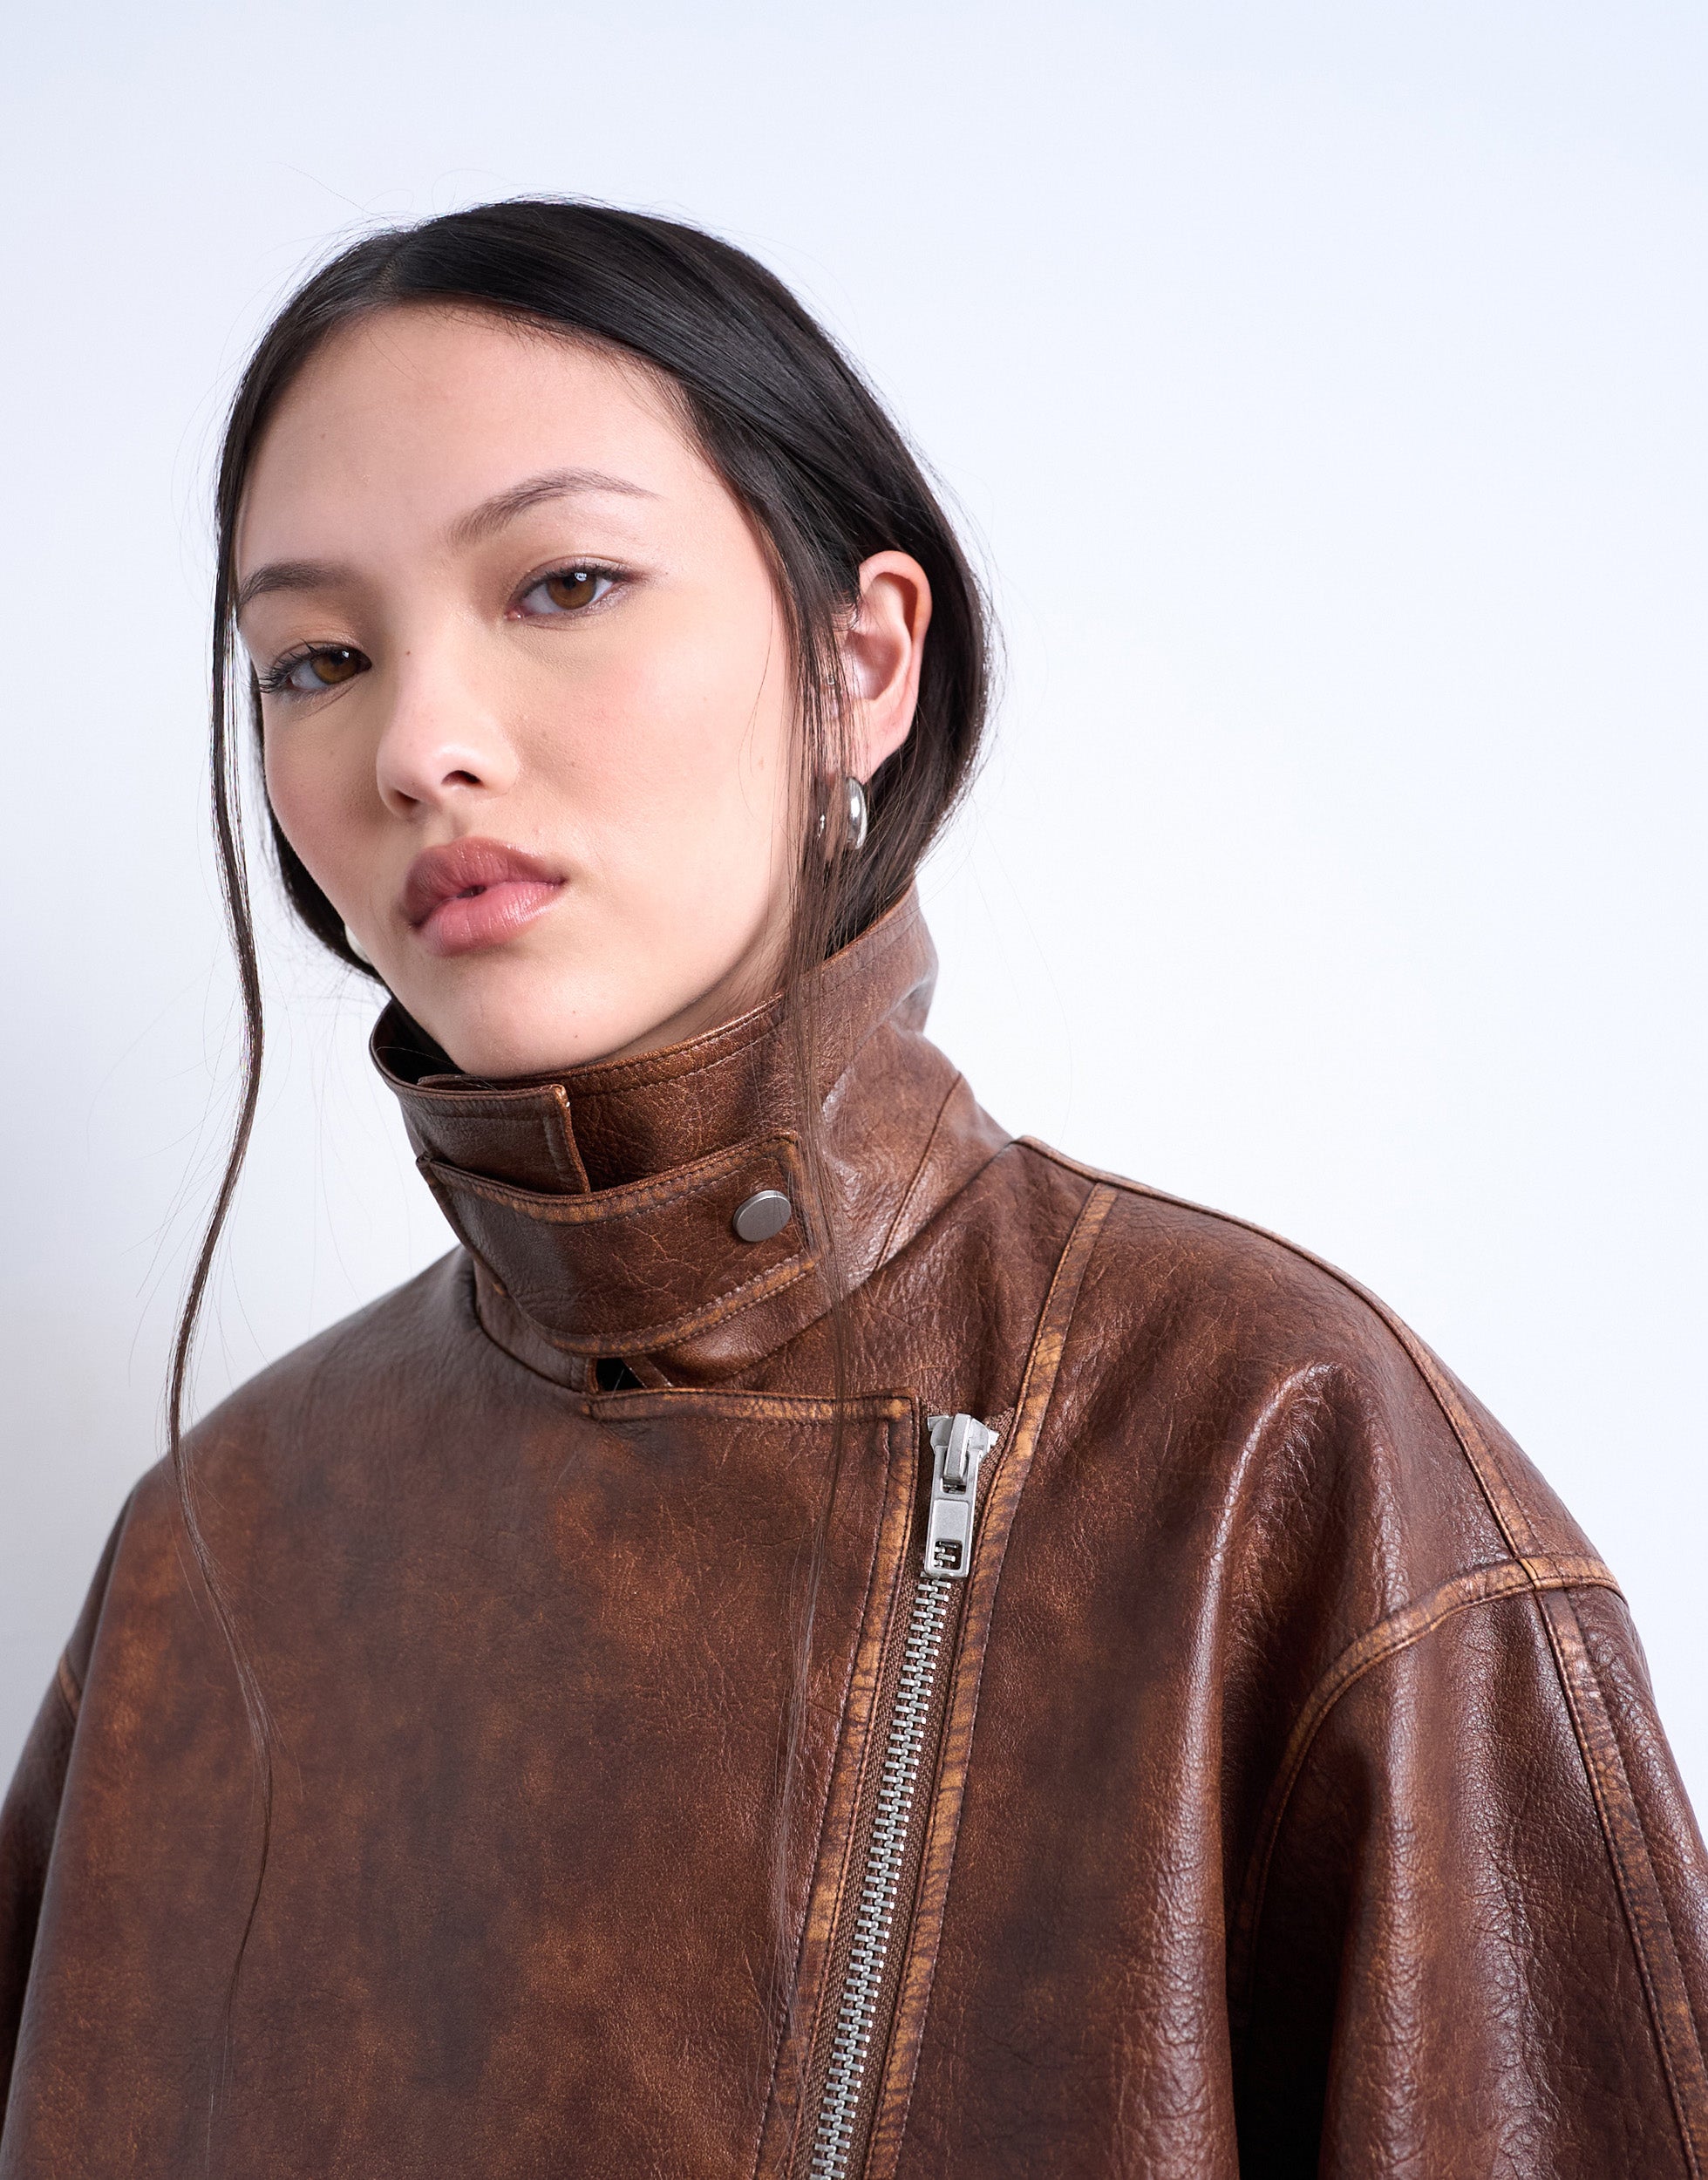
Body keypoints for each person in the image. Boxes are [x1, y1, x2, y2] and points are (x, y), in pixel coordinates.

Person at [1, 199, 1704, 2180]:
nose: (420, 745)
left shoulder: (1270, 1439)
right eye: (315, 659)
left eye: (563, 583)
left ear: (861, 657)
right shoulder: (213, 1549)